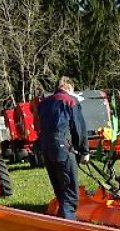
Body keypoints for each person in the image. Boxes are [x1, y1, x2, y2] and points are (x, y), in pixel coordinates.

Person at [37, 76, 89, 220]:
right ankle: (70, 226)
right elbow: (79, 128)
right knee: (70, 191)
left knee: (60, 190)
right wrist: (84, 151)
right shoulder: (70, 101)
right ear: (69, 88)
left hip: (47, 149)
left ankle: (61, 220)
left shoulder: (43, 104)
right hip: (62, 148)